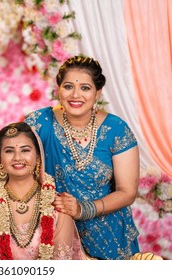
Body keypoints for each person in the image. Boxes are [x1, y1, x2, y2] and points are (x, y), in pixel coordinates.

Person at [24, 55, 140, 259]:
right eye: (68, 86)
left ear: (98, 93)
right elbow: (14, 159)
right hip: (56, 232)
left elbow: (127, 192)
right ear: (58, 88)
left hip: (109, 237)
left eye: (85, 88)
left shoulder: (116, 129)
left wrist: (82, 209)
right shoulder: (39, 123)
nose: (75, 95)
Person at [0, 122, 86, 260]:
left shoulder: (58, 205)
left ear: (38, 157)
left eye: (25, 150)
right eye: (9, 151)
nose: (17, 157)